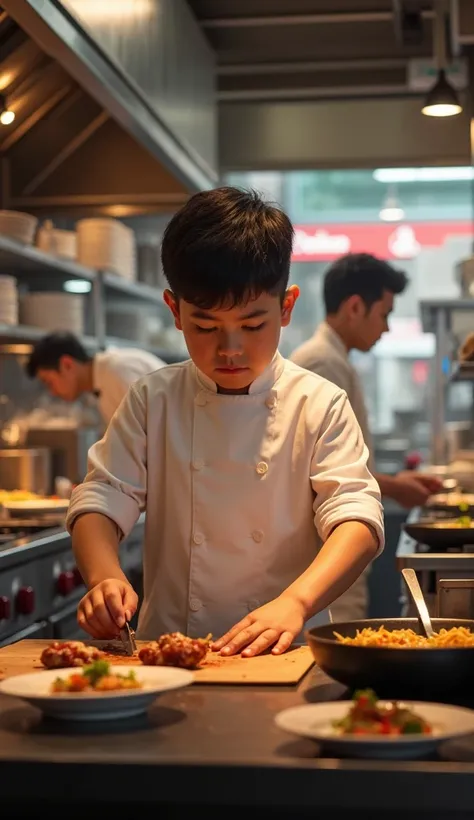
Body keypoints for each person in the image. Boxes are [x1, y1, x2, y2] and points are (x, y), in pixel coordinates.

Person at [66, 187, 384, 659]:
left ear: (286, 307)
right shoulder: (153, 399)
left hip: (286, 651)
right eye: (206, 327)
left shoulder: (319, 403)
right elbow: (101, 498)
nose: (229, 348)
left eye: (253, 325)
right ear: (174, 311)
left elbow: (357, 518)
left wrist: (296, 602)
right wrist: (105, 577)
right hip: (168, 654)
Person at [290, 252, 442, 620]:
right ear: (355, 307)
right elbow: (317, 476)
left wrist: (393, 481)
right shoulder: (322, 361)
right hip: (327, 551)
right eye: (384, 314)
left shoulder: (334, 357)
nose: (386, 328)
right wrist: (393, 487)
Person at [26, 332, 166, 426]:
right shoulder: (102, 382)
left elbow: (155, 434)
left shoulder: (117, 371)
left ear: (67, 365)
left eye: (49, 382)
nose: (53, 392)